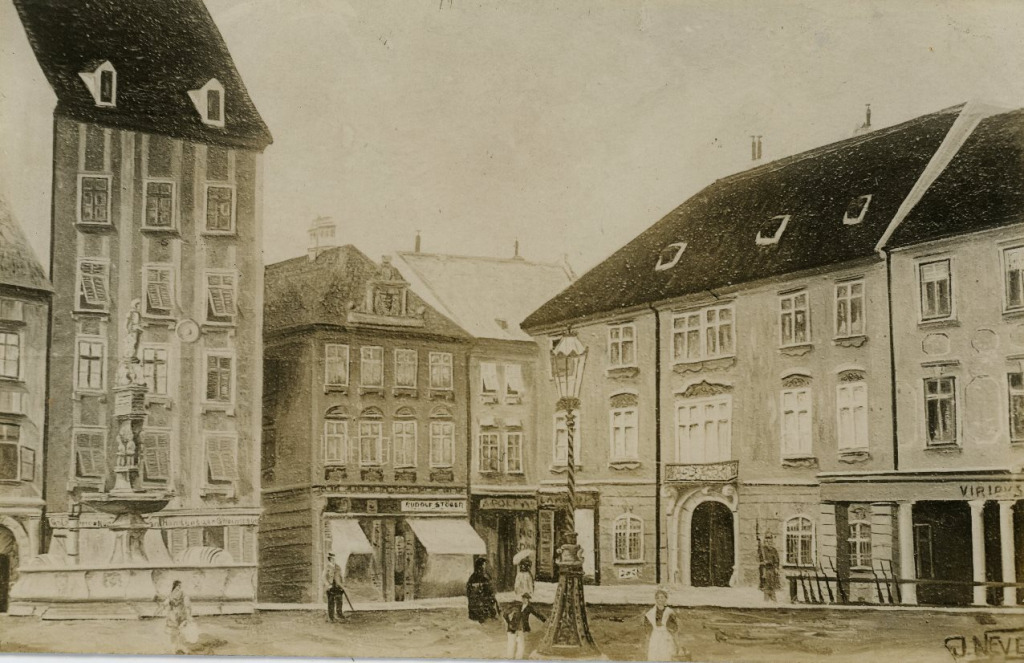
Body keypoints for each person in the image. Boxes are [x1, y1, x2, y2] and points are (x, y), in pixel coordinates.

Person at [503, 592, 546, 659]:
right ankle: (509, 657)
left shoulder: (529, 608)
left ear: (528, 599)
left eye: (526, 598)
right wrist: (509, 622)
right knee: (511, 643)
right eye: (523, 598)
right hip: (512, 627)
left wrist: (545, 620)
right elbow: (505, 614)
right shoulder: (517, 606)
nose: (524, 599)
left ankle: (519, 658)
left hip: (522, 628)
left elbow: (537, 614)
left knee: (521, 644)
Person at [642, 588, 680, 661]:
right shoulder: (650, 613)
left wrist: (677, 643)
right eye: (658, 598)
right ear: (655, 599)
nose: (660, 599)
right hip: (655, 637)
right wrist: (647, 641)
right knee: (654, 656)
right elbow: (647, 630)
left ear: (666, 599)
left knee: (666, 656)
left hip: (666, 638)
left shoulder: (670, 612)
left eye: (662, 597)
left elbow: (674, 629)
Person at [164, 580, 194, 655]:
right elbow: (167, 602)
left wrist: (188, 613)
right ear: (175, 586)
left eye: (180, 586)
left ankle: (178, 648)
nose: (179, 587)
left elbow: (187, 603)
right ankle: (175, 649)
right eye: (178, 586)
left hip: (179, 615)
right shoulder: (174, 594)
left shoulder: (180, 593)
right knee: (175, 632)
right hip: (174, 616)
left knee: (179, 632)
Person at [466, 557, 499, 623]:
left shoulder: (482, 575)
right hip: (479, 599)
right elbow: (471, 589)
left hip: (481, 597)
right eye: (483, 565)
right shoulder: (476, 576)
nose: (484, 566)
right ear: (480, 566)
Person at [759, 532, 781, 603]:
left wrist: (776, 568)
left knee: (772, 585)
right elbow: (758, 560)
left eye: (770, 538)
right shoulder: (762, 550)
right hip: (765, 570)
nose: (768, 540)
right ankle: (766, 601)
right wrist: (763, 562)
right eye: (767, 538)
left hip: (772, 570)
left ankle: (773, 600)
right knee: (766, 586)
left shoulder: (774, 550)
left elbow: (777, 561)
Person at [324, 552, 345, 621]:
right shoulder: (327, 567)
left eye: (334, 559)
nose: (333, 560)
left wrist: (342, 585)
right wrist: (328, 585)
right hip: (331, 587)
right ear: (329, 559)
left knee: (339, 601)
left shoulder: (338, 567)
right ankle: (331, 617)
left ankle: (339, 614)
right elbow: (324, 577)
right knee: (331, 602)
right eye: (332, 559)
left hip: (338, 586)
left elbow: (341, 576)